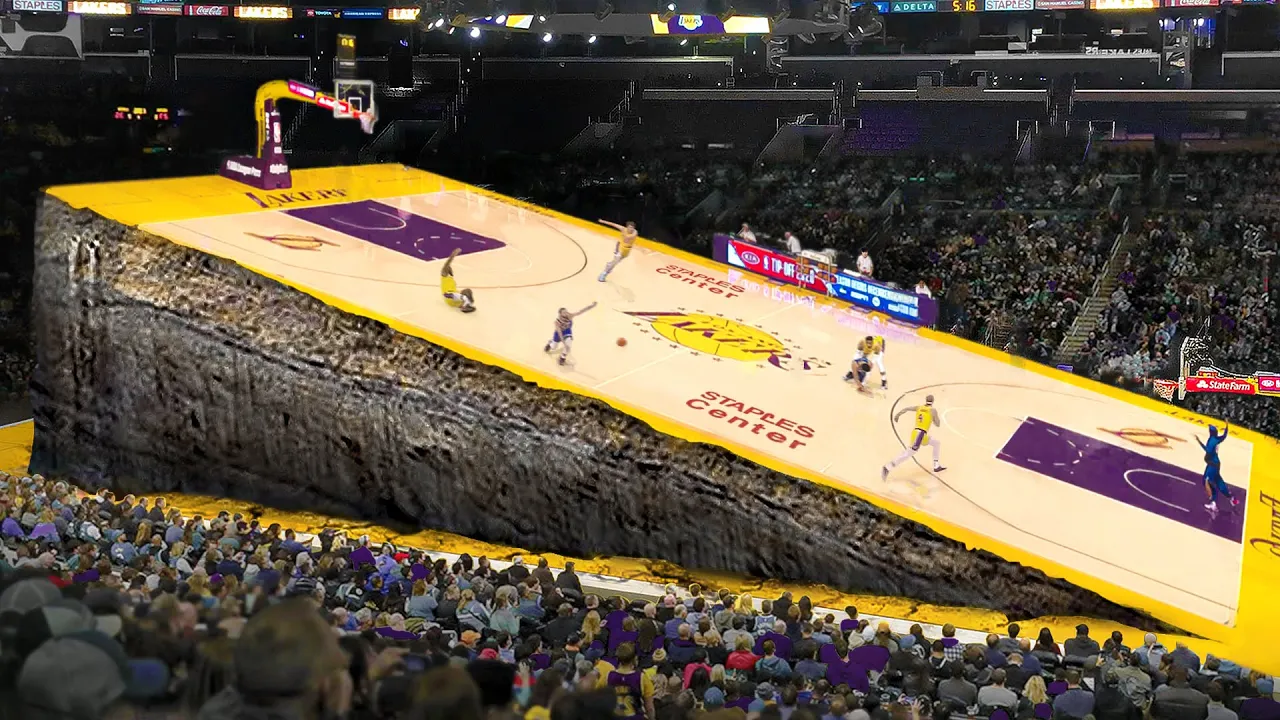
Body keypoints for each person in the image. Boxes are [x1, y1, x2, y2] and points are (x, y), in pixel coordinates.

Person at [883, 395, 945, 478]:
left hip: (917, 433)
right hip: (920, 435)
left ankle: (936, 465)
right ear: (933, 401)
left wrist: (898, 415)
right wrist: (933, 419)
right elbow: (938, 424)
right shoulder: (933, 410)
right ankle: (888, 467)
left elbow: (907, 408)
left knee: (936, 443)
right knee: (908, 454)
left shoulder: (919, 407)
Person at [1198, 421, 1236, 513]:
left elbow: (1208, 451)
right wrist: (1227, 426)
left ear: (1210, 432)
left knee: (1207, 481)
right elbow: (1224, 436)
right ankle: (1231, 498)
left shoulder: (1211, 440)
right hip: (1216, 464)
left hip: (1211, 464)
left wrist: (1199, 442)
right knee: (1219, 482)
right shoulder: (1217, 439)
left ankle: (1213, 503)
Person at [441, 248, 476, 313]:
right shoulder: (444, 276)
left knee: (465, 295)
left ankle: (464, 305)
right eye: (449, 268)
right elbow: (446, 264)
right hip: (450, 296)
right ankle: (465, 306)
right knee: (467, 292)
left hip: (452, 297)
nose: (451, 269)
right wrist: (453, 255)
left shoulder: (450, 278)